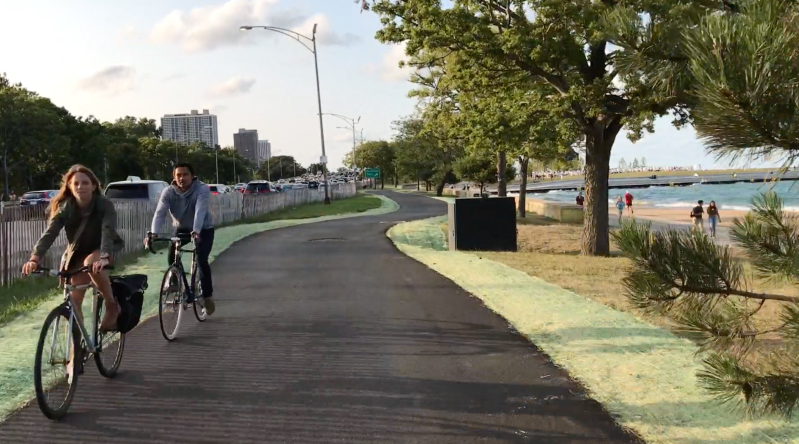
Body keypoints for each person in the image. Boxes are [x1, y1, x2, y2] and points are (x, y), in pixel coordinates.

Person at [22, 164, 124, 331]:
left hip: (102, 249)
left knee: (92, 262)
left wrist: (104, 256)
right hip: (77, 254)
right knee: (73, 304)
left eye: (85, 183)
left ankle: (111, 304)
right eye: (75, 183)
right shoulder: (66, 207)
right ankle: (76, 351)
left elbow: (108, 231)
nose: (80, 187)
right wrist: (35, 257)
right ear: (69, 186)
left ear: (93, 185)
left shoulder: (104, 205)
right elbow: (50, 232)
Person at [146, 163, 216, 315]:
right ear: (174, 177)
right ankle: (175, 282)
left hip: (203, 229)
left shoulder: (201, 189)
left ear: (192, 176)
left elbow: (200, 211)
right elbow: (160, 213)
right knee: (173, 251)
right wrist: (153, 234)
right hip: (182, 228)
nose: (182, 178)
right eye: (178, 175)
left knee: (201, 260)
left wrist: (196, 231)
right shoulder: (169, 192)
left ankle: (207, 295)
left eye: (185, 174)